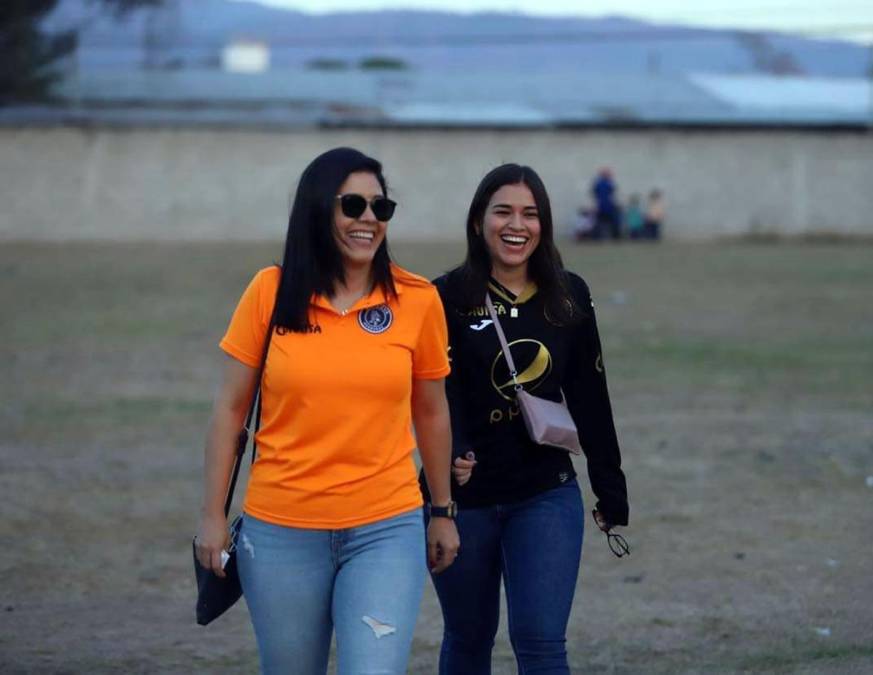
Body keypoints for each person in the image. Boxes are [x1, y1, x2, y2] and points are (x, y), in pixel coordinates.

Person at [195, 147, 460, 675]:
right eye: (354, 205)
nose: (369, 220)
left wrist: (443, 511)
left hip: (386, 526)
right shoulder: (269, 292)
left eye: (380, 209)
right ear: (319, 208)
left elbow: (431, 412)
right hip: (280, 531)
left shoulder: (417, 299)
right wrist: (212, 516)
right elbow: (229, 410)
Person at [420, 163, 629, 674]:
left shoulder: (569, 295)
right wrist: (454, 454)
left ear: (545, 225)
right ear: (478, 222)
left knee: (540, 643)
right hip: (462, 500)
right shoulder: (442, 296)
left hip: (545, 492)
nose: (517, 225)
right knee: (468, 640)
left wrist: (610, 485)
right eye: (503, 212)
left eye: (531, 214)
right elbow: (434, 391)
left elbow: (591, 396)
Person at [591, 167, 622, 240]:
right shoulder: (604, 183)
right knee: (605, 222)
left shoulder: (601, 183)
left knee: (608, 222)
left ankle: (614, 236)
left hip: (605, 206)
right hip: (604, 206)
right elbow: (612, 192)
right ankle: (614, 236)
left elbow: (596, 193)